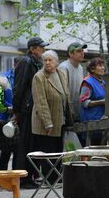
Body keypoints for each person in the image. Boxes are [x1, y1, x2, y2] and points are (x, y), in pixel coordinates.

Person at [31, 50, 73, 183]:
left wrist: (69, 116)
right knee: (49, 151)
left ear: (56, 62)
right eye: (45, 60)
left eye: (50, 60)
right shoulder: (39, 77)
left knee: (58, 150)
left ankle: (57, 177)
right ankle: (49, 179)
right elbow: (40, 102)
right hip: (46, 122)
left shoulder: (61, 73)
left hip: (60, 119)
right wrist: (47, 122)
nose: (47, 63)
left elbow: (66, 95)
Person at [13, 37, 48, 188]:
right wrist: (17, 111)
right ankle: (22, 178)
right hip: (26, 109)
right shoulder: (26, 62)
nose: (43, 50)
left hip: (32, 108)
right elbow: (19, 87)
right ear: (33, 49)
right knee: (24, 145)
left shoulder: (35, 62)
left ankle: (28, 177)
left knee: (31, 145)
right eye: (41, 47)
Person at [79, 57, 106, 145]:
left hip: (101, 122)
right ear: (92, 69)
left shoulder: (102, 82)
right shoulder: (87, 82)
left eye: (103, 65)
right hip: (91, 123)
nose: (103, 68)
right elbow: (84, 102)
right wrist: (101, 102)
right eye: (100, 66)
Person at [0, 61, 17, 170]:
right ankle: (2, 175)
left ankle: (15, 175)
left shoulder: (24, 77)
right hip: (5, 119)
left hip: (19, 119)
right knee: (5, 150)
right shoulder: (4, 78)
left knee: (17, 150)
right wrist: (12, 108)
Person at [58, 42, 87, 120]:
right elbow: (62, 92)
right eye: (78, 51)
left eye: (82, 51)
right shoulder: (63, 67)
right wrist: (68, 110)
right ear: (71, 54)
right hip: (66, 111)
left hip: (78, 109)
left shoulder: (80, 67)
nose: (82, 53)